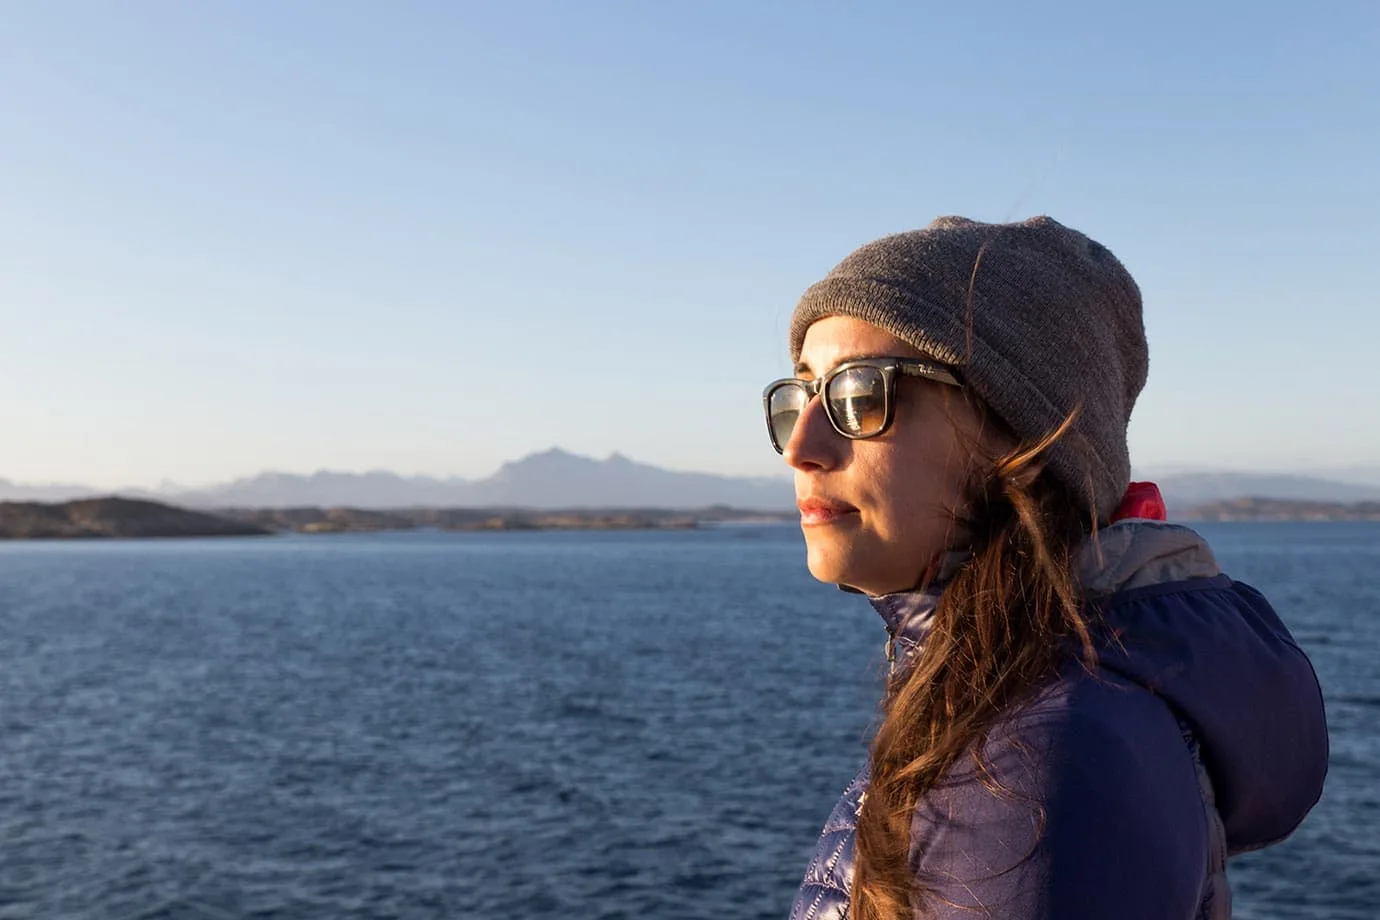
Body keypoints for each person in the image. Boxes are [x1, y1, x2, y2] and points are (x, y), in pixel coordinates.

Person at [765, 216, 1328, 920]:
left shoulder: (1041, 765)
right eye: (800, 396)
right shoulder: (1017, 705)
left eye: (859, 395)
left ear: (1022, 438)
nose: (801, 447)